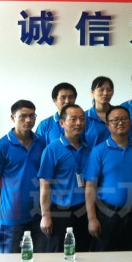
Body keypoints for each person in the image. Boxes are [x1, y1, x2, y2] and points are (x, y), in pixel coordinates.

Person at [0, 100, 46, 253]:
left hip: (38, 212)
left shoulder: (42, 142)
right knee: (8, 260)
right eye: (23, 116)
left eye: (32, 116)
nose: (28, 120)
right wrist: (3, 203)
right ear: (13, 118)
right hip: (11, 215)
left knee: (40, 260)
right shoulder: (1, 145)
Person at [84, 105, 132, 251]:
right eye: (115, 120)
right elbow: (90, 187)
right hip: (107, 214)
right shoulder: (99, 151)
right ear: (107, 124)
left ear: (130, 122)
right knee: (105, 256)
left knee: (131, 256)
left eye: (124, 119)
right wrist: (92, 219)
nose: (120, 122)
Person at [38, 104, 91, 252]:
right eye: (73, 119)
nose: (79, 123)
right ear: (62, 123)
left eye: (82, 119)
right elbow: (44, 185)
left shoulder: (88, 149)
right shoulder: (52, 150)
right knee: (59, 253)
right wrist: (45, 216)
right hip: (60, 211)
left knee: (83, 253)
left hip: (84, 210)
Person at [84, 76, 114, 146]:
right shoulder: (84, 117)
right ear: (92, 92)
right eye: (101, 90)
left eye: (109, 90)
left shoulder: (119, 114)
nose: (105, 93)